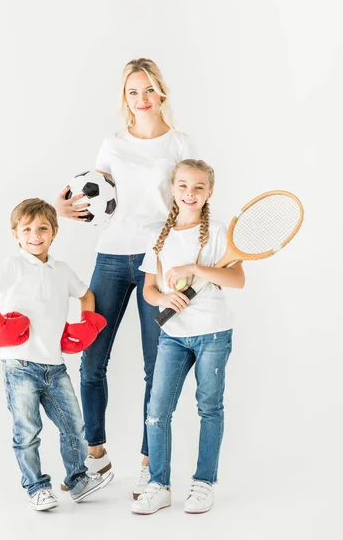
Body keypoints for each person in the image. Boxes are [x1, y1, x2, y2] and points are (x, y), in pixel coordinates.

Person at [55, 58, 196, 497]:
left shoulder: (180, 143)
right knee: (93, 360)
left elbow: (191, 199)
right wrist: (63, 210)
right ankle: (96, 454)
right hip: (111, 258)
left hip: (158, 260)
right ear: (125, 98)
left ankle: (149, 461)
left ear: (162, 94)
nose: (142, 100)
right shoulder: (111, 144)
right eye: (133, 92)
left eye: (149, 90)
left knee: (157, 367)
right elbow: (94, 197)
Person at [0, 198, 113, 511]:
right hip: (18, 364)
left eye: (42, 229)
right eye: (27, 229)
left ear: (54, 232)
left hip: (55, 366)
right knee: (27, 431)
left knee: (74, 426)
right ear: (16, 234)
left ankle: (77, 480)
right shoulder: (13, 266)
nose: (35, 235)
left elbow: (86, 294)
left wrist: (86, 324)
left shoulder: (61, 270)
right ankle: (37, 487)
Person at [131, 159, 245, 515]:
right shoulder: (157, 235)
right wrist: (164, 298)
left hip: (212, 332)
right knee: (157, 409)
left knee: (209, 407)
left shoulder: (220, 232)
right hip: (173, 335)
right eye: (182, 186)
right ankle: (158, 484)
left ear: (209, 192)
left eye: (198, 187)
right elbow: (149, 289)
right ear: (172, 189)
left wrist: (196, 268)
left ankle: (203, 483)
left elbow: (237, 279)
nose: (189, 193)